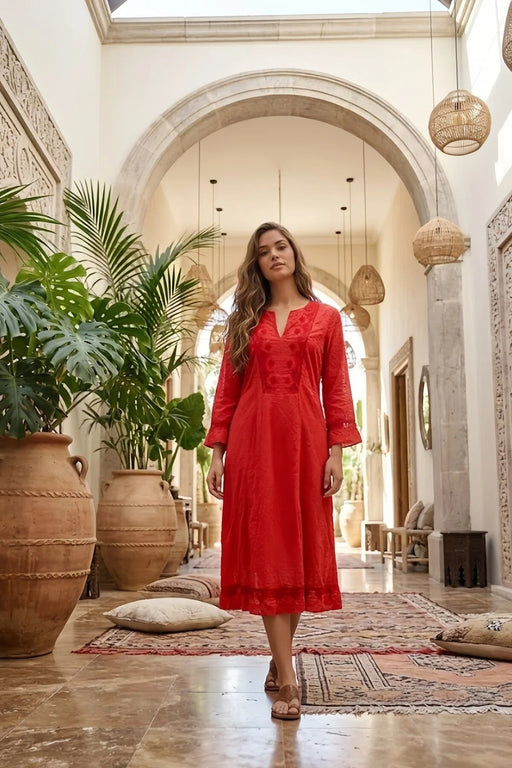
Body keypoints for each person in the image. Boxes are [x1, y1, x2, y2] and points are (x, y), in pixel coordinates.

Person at [205, 222, 361, 721]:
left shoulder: (326, 318)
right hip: (253, 444)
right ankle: (288, 675)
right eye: (264, 251)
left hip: (305, 444)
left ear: (294, 251)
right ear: (255, 264)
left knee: (296, 550)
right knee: (270, 546)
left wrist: (337, 450)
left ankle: (277, 660)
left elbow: (336, 386)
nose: (275, 256)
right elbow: (226, 391)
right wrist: (217, 452)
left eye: (282, 246)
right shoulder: (243, 321)